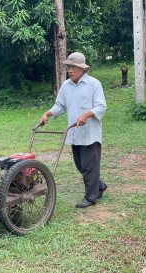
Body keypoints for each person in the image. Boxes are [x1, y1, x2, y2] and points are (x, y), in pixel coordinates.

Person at [39, 52, 107, 208]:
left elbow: (101, 106)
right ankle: (100, 186)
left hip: (90, 134)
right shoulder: (66, 85)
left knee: (89, 167)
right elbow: (60, 106)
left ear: (82, 69)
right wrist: (47, 114)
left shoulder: (93, 84)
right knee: (80, 165)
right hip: (74, 133)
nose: (70, 70)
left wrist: (87, 115)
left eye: (74, 67)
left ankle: (91, 197)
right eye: (69, 67)